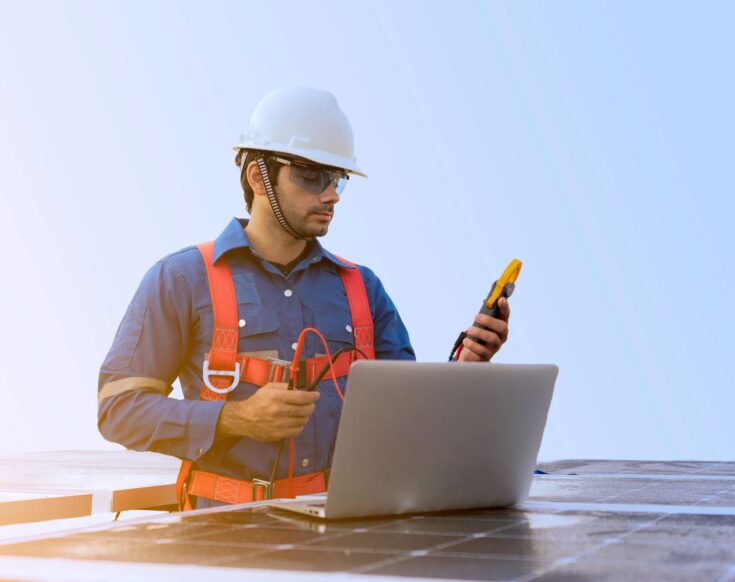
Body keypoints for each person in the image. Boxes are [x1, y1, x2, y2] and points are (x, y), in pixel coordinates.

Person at [97, 87, 511, 508]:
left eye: (337, 180)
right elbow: (118, 410)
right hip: (225, 540)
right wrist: (236, 418)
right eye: (311, 176)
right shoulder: (182, 279)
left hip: (344, 535)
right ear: (259, 176)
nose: (330, 194)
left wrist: (467, 367)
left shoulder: (363, 289)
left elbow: (409, 417)